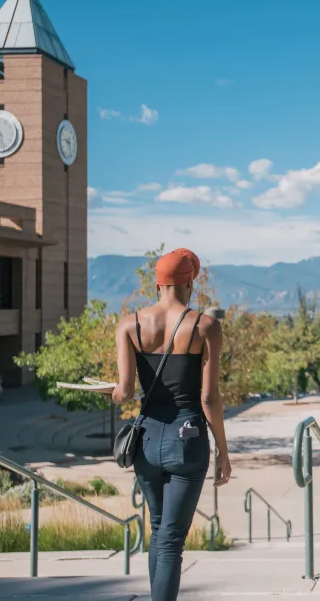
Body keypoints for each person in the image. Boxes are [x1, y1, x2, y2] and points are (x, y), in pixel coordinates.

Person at [110, 248, 231, 601]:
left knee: (159, 531)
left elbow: (125, 391)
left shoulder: (129, 325)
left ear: (157, 282)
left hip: (145, 439)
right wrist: (223, 451)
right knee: (171, 541)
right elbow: (209, 399)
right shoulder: (205, 326)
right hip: (187, 438)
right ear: (190, 282)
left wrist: (112, 392)